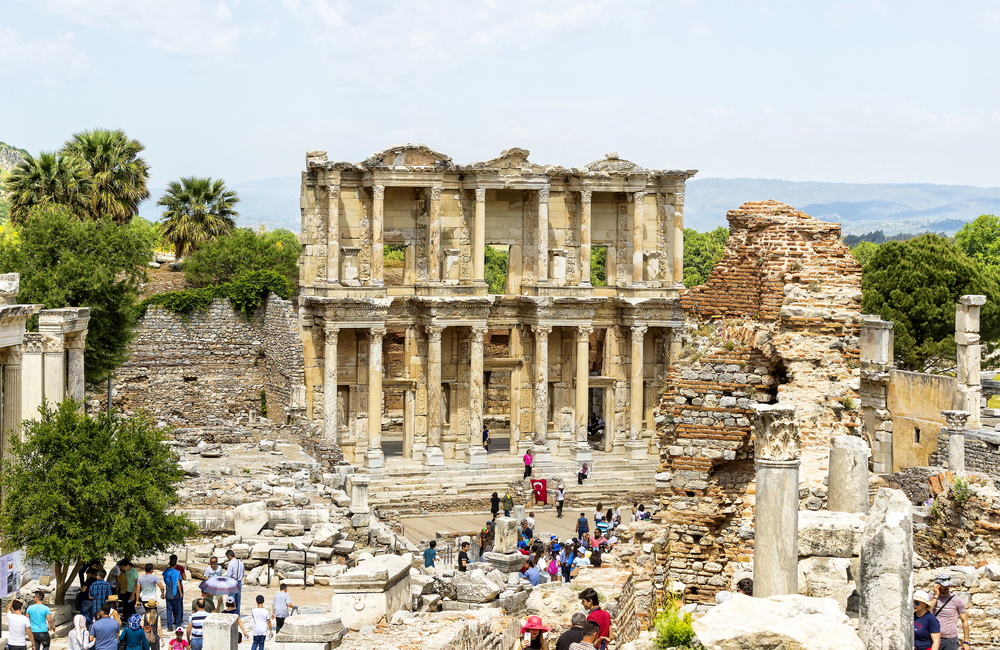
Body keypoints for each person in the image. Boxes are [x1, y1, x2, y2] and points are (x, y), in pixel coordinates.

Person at [932, 574, 970, 650]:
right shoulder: (930, 598)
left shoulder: (956, 600)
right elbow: (927, 611)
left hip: (949, 640)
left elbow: (964, 621)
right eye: (944, 585)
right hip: (932, 638)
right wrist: (936, 595)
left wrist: (966, 642)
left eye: (948, 585)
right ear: (937, 585)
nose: (947, 587)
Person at [162, 557, 184, 631]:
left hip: (168, 593)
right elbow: (178, 584)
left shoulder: (166, 572)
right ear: (176, 564)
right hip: (176, 594)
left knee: (169, 610)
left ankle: (169, 626)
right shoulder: (177, 573)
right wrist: (180, 593)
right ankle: (178, 625)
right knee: (177, 610)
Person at [224, 550, 246, 614]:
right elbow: (243, 573)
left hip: (232, 582)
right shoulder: (240, 562)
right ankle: (237, 613)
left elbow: (228, 575)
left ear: (229, 556)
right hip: (239, 582)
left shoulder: (231, 563)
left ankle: (231, 613)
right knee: (238, 599)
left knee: (231, 598)